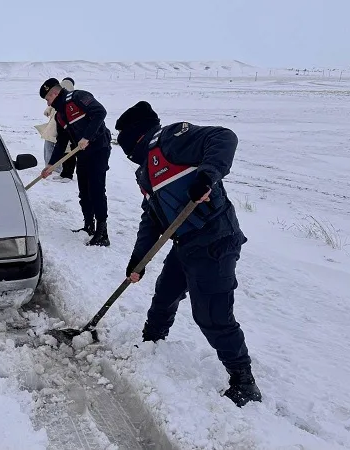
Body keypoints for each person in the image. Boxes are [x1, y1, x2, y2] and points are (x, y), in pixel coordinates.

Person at [114, 100, 262, 407]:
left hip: (214, 240)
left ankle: (243, 381)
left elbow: (223, 137)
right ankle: (151, 342)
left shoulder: (171, 139)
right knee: (165, 293)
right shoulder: (146, 174)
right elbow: (152, 218)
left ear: (136, 138)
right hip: (185, 244)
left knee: (211, 314)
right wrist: (138, 260)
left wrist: (207, 175)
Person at [39, 77, 112, 246]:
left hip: (99, 148)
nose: (47, 103)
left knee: (96, 189)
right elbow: (62, 142)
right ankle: (88, 226)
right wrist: (51, 165)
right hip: (83, 153)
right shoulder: (60, 116)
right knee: (84, 191)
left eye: (48, 98)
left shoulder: (78, 97)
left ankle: (103, 232)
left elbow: (100, 112)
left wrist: (87, 137)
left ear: (55, 93)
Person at [35, 77, 76, 183]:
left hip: (61, 125)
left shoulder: (65, 93)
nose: (48, 103)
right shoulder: (63, 92)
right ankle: (59, 170)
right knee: (62, 147)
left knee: (64, 148)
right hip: (58, 124)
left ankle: (63, 172)